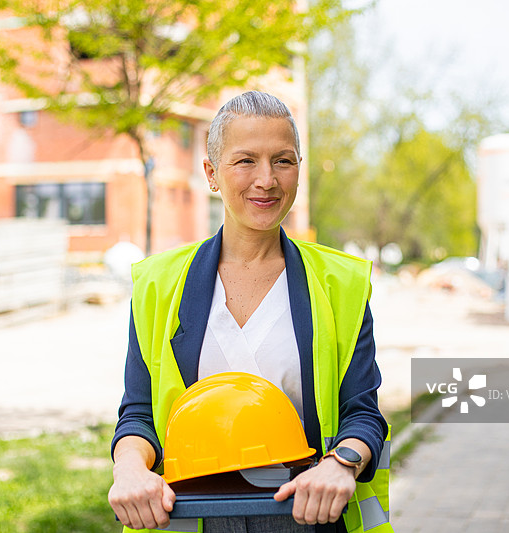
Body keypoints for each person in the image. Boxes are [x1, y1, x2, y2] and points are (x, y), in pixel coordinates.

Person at [108, 90, 390, 533]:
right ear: (212, 173)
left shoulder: (341, 284)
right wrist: (128, 468)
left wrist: (342, 464)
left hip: (307, 516)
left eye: (283, 160)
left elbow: (363, 411)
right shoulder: (159, 285)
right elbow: (139, 413)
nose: (267, 180)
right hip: (191, 519)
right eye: (245, 161)